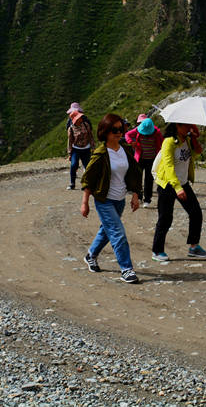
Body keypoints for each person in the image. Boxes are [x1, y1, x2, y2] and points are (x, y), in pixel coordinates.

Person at [80, 113, 143, 284]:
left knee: (107, 230)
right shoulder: (100, 153)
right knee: (118, 233)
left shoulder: (125, 149)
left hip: (120, 199)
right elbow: (88, 179)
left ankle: (90, 255)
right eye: (114, 130)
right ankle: (127, 269)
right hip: (103, 200)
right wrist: (85, 203)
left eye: (121, 129)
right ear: (105, 131)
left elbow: (135, 174)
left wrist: (136, 195)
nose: (118, 132)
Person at [152, 122, 206, 261]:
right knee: (165, 218)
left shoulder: (187, 140)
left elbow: (198, 152)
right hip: (168, 184)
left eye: (190, 125)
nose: (189, 127)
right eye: (185, 125)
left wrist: (195, 137)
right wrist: (177, 188)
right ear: (177, 126)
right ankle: (157, 251)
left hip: (183, 183)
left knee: (196, 213)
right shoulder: (169, 142)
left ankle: (194, 247)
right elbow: (168, 166)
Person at [125, 114, 164, 206]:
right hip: (140, 159)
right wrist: (131, 142)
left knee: (149, 180)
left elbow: (163, 144)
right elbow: (127, 135)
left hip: (152, 160)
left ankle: (147, 199)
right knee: (137, 179)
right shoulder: (138, 129)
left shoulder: (157, 132)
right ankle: (138, 196)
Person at [66, 102, 95, 190]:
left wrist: (93, 147)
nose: (81, 119)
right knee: (74, 165)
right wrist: (70, 153)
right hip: (76, 149)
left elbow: (91, 136)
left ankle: (86, 184)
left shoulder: (86, 125)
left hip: (86, 148)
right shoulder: (71, 128)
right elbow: (70, 141)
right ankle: (72, 183)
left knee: (87, 166)